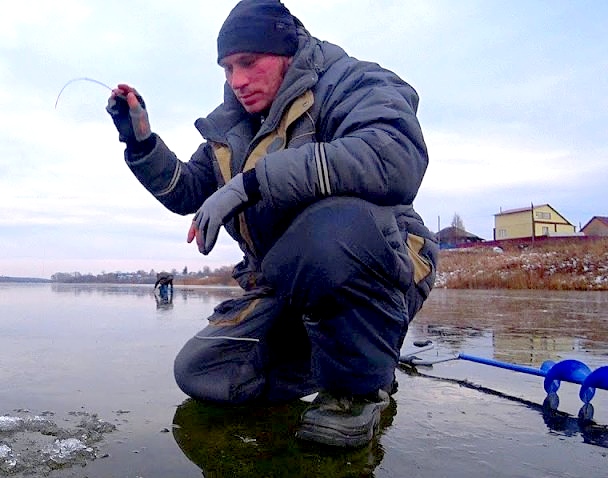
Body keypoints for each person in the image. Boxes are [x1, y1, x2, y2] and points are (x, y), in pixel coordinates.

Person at [106, 0, 438, 448]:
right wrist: (141, 141)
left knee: (326, 232)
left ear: (285, 50)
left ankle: (358, 389)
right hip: (286, 283)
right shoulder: (235, 129)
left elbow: (393, 156)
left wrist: (253, 183)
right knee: (201, 371)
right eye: (226, 69)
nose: (236, 81)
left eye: (248, 62)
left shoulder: (351, 82)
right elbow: (187, 190)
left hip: (380, 259)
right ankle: (355, 357)